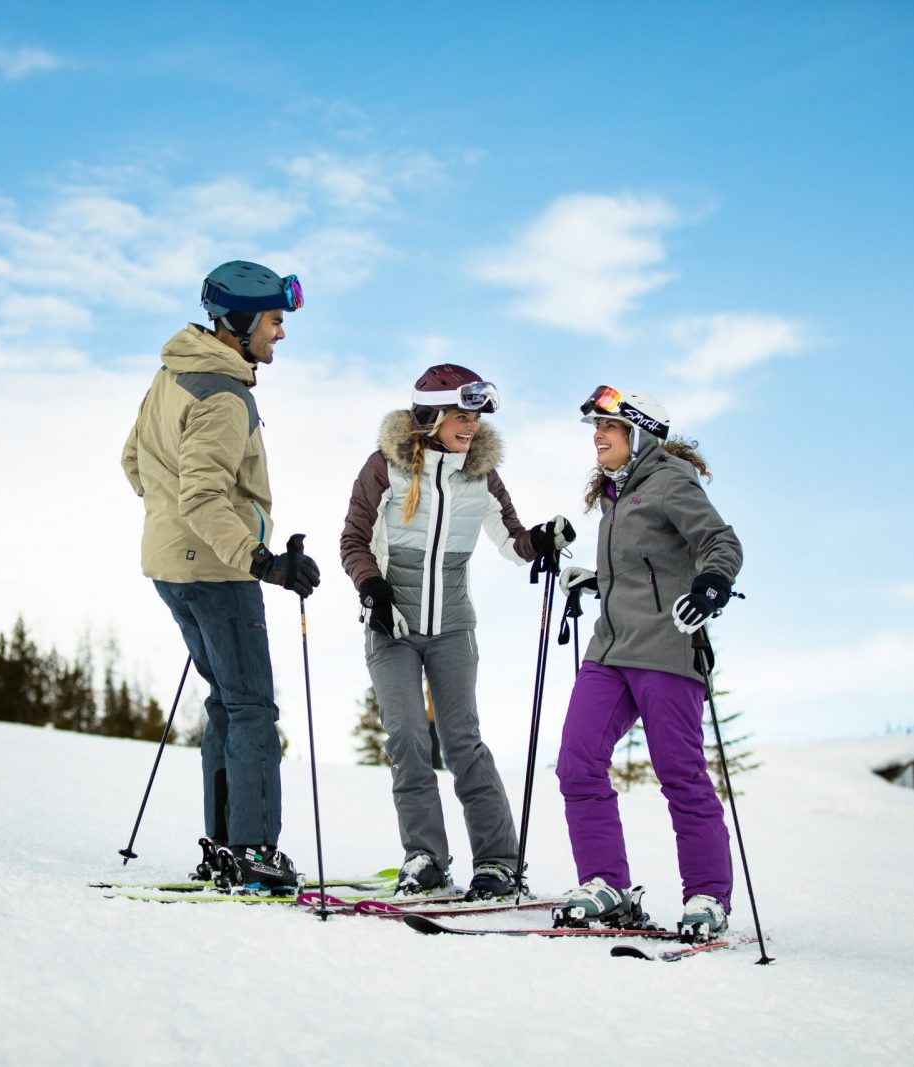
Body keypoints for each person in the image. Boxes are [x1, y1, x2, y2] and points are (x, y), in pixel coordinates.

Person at [120, 260, 321, 891]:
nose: (279, 333)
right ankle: (254, 853)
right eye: (273, 320)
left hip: (173, 566)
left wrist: (172, 525)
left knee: (227, 704)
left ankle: (225, 848)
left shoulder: (173, 373)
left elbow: (134, 461)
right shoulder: (224, 397)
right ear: (237, 322)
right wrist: (264, 562)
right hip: (217, 571)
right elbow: (203, 497)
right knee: (253, 708)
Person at [340, 363, 574, 899]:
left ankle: (497, 862)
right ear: (432, 414)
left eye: (476, 416)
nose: (471, 426)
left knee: (462, 741)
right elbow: (353, 538)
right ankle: (425, 858)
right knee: (407, 739)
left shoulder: (480, 472)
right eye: (462, 415)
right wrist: (372, 589)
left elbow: (514, 542)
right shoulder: (384, 466)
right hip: (390, 625)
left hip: (451, 627)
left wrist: (542, 538)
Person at [552, 385, 743, 941]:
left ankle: (707, 896)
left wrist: (711, 585)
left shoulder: (669, 481)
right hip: (610, 650)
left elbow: (720, 542)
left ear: (637, 434)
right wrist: (597, 580)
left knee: (680, 774)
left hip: (666, 649)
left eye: (607, 428)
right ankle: (606, 886)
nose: (597, 436)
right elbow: (644, 566)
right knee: (576, 762)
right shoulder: (618, 494)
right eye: (595, 428)